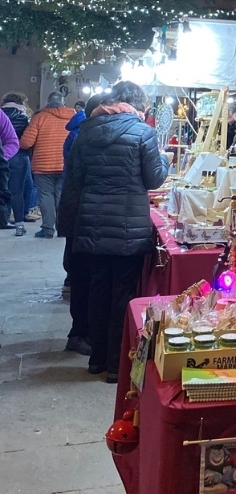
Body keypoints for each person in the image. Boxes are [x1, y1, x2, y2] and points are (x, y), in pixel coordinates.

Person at [66, 82, 169, 382]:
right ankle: (115, 364)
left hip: (92, 224)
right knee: (122, 294)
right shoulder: (143, 133)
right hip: (127, 227)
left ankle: (96, 359)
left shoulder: (87, 131)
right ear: (138, 105)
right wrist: (163, 158)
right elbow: (154, 179)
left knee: (97, 290)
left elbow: (75, 178)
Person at [57, 94, 104, 357]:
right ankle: (79, 334)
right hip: (80, 214)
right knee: (83, 278)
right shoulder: (84, 135)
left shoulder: (81, 131)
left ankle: (81, 332)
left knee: (82, 276)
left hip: (77, 212)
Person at [20, 91, 74, 238]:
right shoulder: (73, 117)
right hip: (65, 164)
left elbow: (26, 143)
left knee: (46, 196)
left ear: (47, 102)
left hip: (43, 166)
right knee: (61, 197)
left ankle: (47, 229)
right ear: (63, 102)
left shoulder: (39, 117)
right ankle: (62, 229)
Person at [2, 92, 32, 234]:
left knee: (3, 188)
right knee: (17, 191)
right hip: (19, 156)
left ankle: (4, 218)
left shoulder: (2, 114)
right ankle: (19, 224)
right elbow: (27, 139)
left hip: (2, 155)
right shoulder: (23, 116)